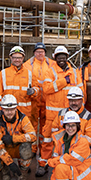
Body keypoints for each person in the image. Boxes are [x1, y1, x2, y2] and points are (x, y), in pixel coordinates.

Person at [38, 45, 84, 177]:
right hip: (52, 116)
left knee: (67, 142)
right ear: (55, 58)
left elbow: (82, 91)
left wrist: (81, 109)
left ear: (67, 57)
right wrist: (65, 81)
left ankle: (64, 164)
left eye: (64, 57)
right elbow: (46, 89)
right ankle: (43, 164)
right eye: (59, 57)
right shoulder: (50, 72)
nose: (62, 60)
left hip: (70, 116)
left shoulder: (75, 73)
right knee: (47, 141)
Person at [47, 110, 91, 180]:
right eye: (68, 125)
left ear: (78, 126)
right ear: (64, 126)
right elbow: (57, 158)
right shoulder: (59, 139)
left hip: (81, 174)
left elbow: (71, 160)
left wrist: (53, 162)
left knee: (61, 168)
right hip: (72, 171)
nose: (70, 128)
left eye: (73, 125)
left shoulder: (82, 141)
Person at [0, 94, 36, 180]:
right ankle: (5, 169)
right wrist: (10, 163)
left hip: (17, 147)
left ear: (16, 108)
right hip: (5, 149)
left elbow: (32, 136)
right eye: (6, 110)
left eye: (12, 109)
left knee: (27, 149)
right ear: (2, 110)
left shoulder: (23, 118)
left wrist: (13, 138)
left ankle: (22, 175)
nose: (9, 112)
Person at [27, 42, 55, 172]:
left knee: (45, 127)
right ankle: (33, 148)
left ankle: (43, 148)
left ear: (45, 53)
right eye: (38, 52)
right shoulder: (28, 64)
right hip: (33, 100)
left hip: (47, 100)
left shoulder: (51, 63)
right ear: (34, 53)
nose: (40, 54)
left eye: (42, 52)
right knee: (32, 124)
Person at [0, 46, 37, 122]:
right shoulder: (3, 73)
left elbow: (37, 89)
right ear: (10, 57)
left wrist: (34, 91)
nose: (17, 60)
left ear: (23, 58)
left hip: (25, 112)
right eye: (14, 57)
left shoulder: (29, 74)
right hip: (8, 112)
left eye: (19, 58)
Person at [55, 87, 91, 151]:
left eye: (76, 100)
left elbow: (90, 139)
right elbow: (54, 131)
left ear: (82, 100)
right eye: (71, 100)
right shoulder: (61, 114)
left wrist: (73, 144)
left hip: (82, 149)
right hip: (63, 145)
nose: (73, 103)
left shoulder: (88, 117)